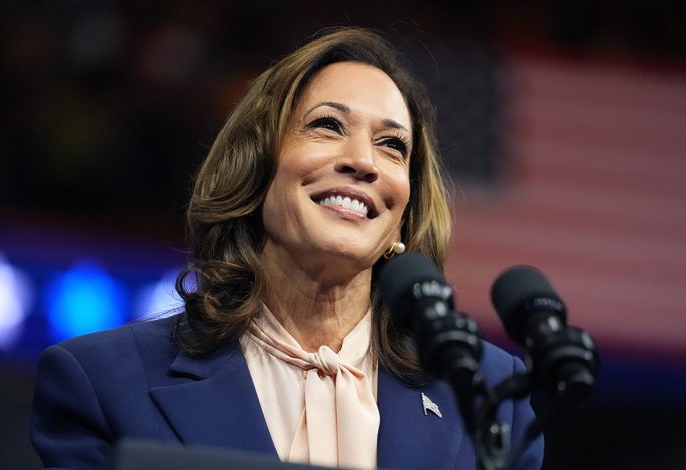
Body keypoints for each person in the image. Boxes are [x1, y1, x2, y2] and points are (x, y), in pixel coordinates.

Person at [30, 27, 543, 469]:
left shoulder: (490, 395)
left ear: (404, 211)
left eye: (392, 145)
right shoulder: (105, 384)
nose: (363, 161)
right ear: (257, 167)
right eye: (327, 125)